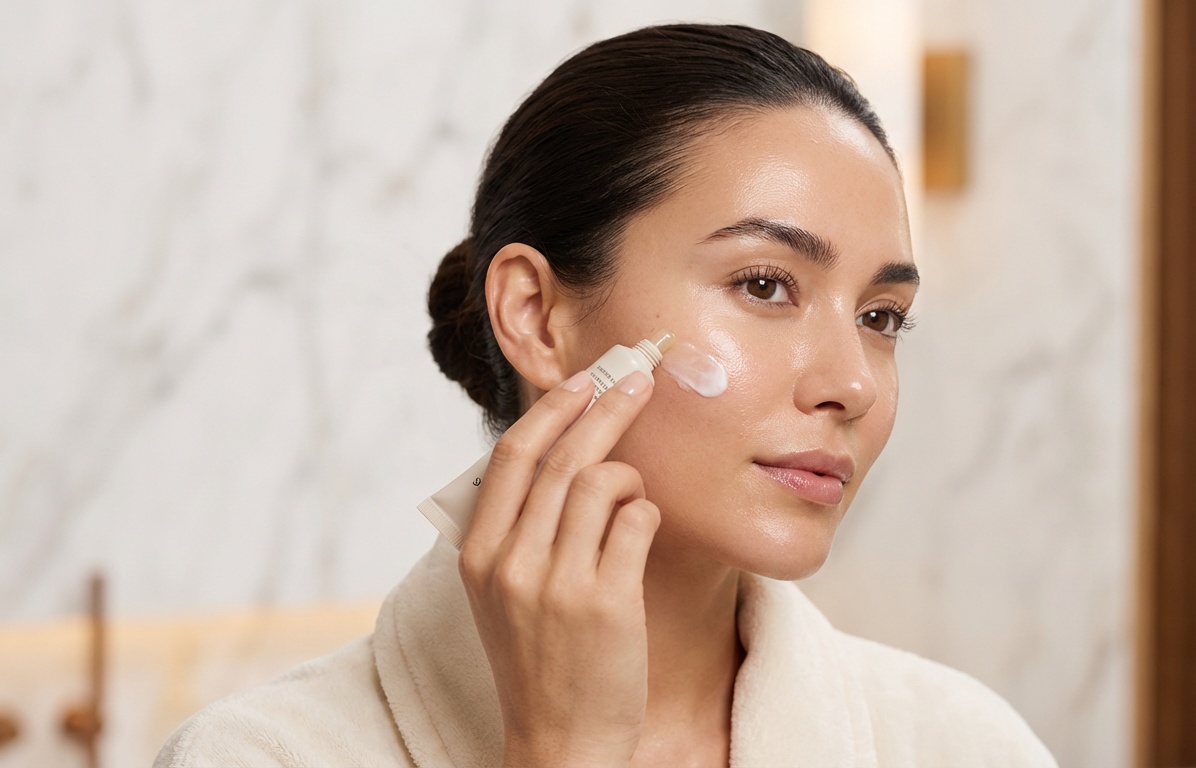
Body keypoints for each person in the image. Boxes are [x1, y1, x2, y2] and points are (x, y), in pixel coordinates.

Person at [156, 23, 1057, 767]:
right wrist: (566, 750)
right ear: (538, 316)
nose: (852, 383)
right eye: (763, 284)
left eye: (882, 315)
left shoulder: (964, 744)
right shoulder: (259, 755)